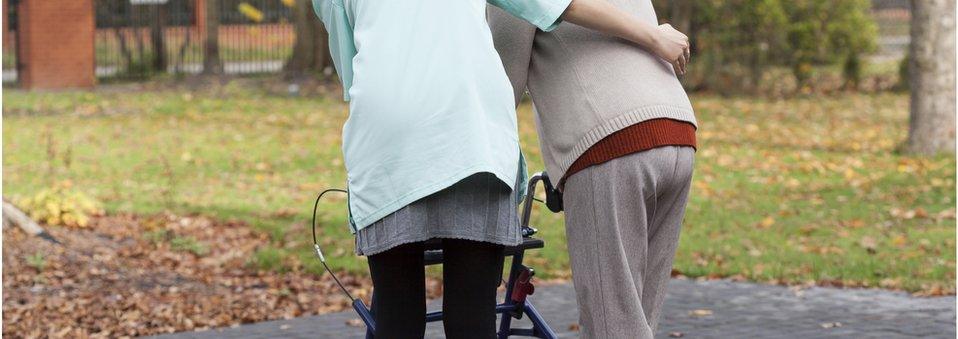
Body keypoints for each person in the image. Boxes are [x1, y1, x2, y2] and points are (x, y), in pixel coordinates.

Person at [312, 0, 688, 337]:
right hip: (475, 138)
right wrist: (654, 37)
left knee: (396, 316)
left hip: (390, 142)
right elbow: (562, 6)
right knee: (474, 318)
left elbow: (353, 71)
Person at [489, 1, 696, 338]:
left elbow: (501, 83)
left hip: (610, 142)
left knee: (610, 324)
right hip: (677, 128)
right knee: (637, 319)